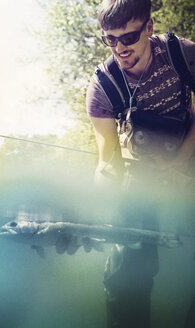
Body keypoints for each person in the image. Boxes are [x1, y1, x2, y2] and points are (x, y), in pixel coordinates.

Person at [86, 0, 195, 327]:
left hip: (188, 148)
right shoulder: (101, 88)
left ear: (149, 28)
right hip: (139, 170)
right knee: (127, 259)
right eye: (111, 39)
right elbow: (108, 160)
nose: (120, 48)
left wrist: (181, 162)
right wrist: (100, 202)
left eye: (129, 37)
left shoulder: (183, 55)